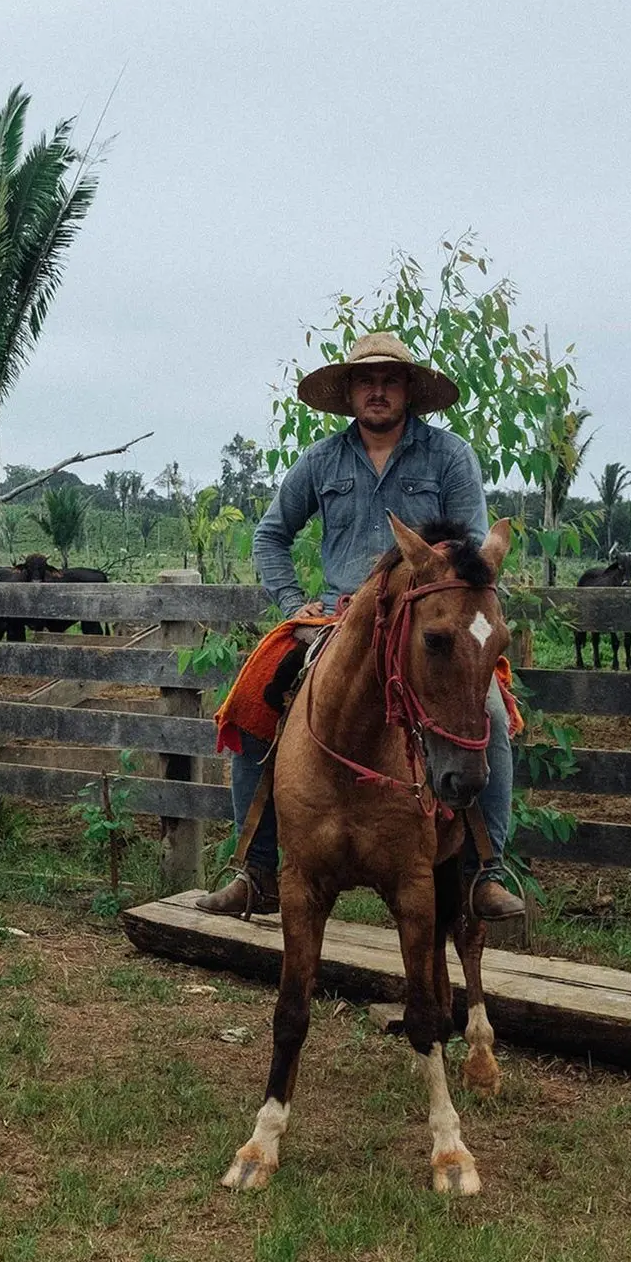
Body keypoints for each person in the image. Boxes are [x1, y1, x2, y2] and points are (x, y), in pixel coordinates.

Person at [196, 331, 523, 920]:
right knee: (251, 702)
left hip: (426, 618)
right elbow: (270, 535)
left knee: (492, 715)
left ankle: (484, 871)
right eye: (366, 380)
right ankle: (258, 868)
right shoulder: (321, 460)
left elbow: (472, 549)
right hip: (338, 618)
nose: (377, 391)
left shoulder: (450, 457)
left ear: (408, 392)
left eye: (389, 380)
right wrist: (294, 602)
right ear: (349, 393)